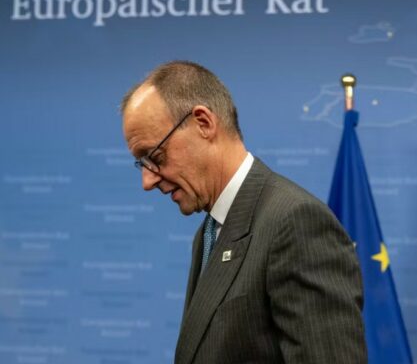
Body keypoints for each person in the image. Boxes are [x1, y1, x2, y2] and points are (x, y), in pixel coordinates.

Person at [121, 61, 367, 364]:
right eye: (142, 164)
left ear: (203, 123)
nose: (147, 181)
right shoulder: (209, 233)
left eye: (155, 157)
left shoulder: (295, 223)